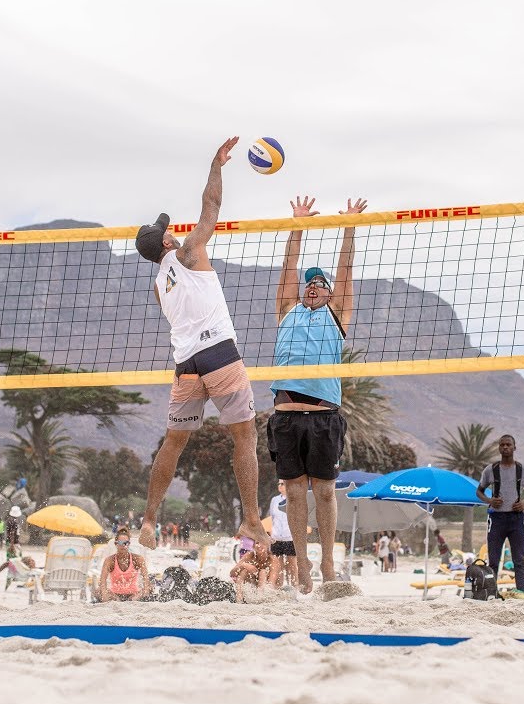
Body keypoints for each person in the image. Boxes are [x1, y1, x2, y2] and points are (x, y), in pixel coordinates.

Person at [134, 136, 270, 553]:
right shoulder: (190, 251)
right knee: (244, 438)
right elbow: (211, 208)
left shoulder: (159, 284)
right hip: (219, 354)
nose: (172, 231)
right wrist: (217, 165)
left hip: (186, 365)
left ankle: (149, 519)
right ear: (167, 243)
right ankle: (250, 520)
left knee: (174, 443)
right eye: (167, 230)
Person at [266, 194, 368, 592]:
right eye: (309, 282)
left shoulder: (337, 314)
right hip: (286, 413)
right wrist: (298, 224)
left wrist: (349, 225)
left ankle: (327, 562)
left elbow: (346, 268)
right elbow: (288, 265)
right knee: (294, 492)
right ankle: (303, 562)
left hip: (324, 415)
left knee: (324, 493)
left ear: (328, 294)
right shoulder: (287, 309)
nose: (313, 285)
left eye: (319, 283)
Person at [475, 434, 524, 593]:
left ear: (514, 447)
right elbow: (479, 491)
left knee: (519, 560)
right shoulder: (491, 470)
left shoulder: (522, 470)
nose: (505, 447)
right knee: (493, 560)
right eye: (502, 445)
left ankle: (521, 593)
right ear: (499, 448)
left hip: (516, 519)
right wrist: (489, 500)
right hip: (496, 519)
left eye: (508, 445)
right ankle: (490, 593)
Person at [97, 528, 149, 602]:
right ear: (116, 544)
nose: (123, 545)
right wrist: (104, 595)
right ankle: (119, 600)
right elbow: (102, 581)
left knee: (149, 588)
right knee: (98, 591)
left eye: (126, 543)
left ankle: (130, 600)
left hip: (133, 595)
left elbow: (146, 578)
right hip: (114, 595)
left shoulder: (137, 559)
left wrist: (146, 591)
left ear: (129, 544)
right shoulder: (109, 560)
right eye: (121, 543)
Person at [267, 480, 299, 590]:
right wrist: (271, 535)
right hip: (276, 538)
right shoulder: (274, 500)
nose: (280, 486)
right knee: (277, 566)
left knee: (292, 565)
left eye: (282, 484)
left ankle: (295, 587)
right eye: (279, 484)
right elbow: (272, 517)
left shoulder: (293, 499)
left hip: (290, 537)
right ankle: (279, 587)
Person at [230, 538, 274, 602]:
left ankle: (260, 598)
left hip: (267, 589)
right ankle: (239, 599)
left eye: (263, 543)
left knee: (263, 572)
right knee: (244, 571)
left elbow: (272, 583)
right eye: (257, 543)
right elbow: (232, 573)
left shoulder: (272, 559)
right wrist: (244, 565)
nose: (259, 545)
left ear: (268, 546)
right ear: (253, 546)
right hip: (251, 587)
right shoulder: (249, 555)